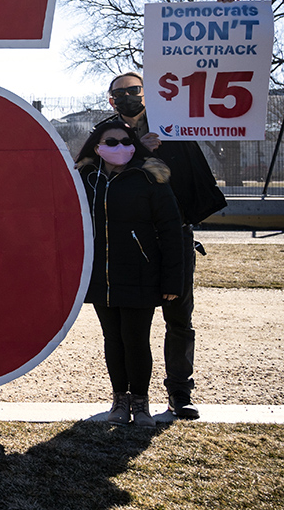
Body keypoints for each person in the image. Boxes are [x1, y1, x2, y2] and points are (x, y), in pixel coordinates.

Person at [102, 71, 227, 419]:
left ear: (146, 92)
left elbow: (193, 172)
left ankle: (179, 392)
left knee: (179, 318)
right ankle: (129, 396)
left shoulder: (176, 125)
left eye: (134, 89)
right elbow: (96, 174)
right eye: (120, 93)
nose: (128, 96)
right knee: (130, 327)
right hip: (130, 240)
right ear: (112, 100)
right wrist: (138, 151)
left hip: (174, 235)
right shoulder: (107, 131)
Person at [76, 120, 183, 427]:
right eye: (111, 142)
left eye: (126, 141)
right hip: (101, 275)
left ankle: (140, 401)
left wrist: (171, 280)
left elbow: (170, 230)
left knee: (136, 339)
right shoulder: (85, 179)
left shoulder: (150, 178)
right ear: (97, 147)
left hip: (141, 272)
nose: (119, 147)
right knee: (113, 339)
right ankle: (119, 399)